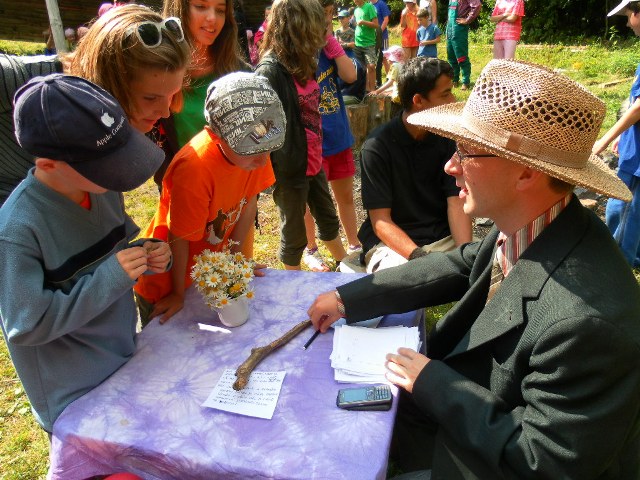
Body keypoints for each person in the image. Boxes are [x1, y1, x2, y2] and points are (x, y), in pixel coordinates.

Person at [308, 59, 640, 479]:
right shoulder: (539, 221)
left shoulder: (587, 324)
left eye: (465, 151)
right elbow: (460, 264)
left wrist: (435, 384)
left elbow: (545, 460)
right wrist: (349, 297)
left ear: (525, 173)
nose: (450, 165)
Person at [0, 74, 171, 435]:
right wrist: (112, 277)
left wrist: (145, 256)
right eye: (105, 167)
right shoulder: (16, 231)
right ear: (49, 165)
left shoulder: (101, 189)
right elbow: (27, 325)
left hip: (123, 358)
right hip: (74, 396)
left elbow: (109, 256)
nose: (118, 175)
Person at [0, 5, 189, 207]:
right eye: (150, 98)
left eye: (172, 94)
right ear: (108, 81)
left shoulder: (127, 126)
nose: (165, 112)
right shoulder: (21, 81)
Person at [134, 72, 278, 324]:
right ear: (217, 135)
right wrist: (178, 294)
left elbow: (248, 204)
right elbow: (179, 238)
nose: (263, 161)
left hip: (208, 276)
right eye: (253, 151)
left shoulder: (255, 147)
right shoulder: (195, 169)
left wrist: (236, 264)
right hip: (167, 281)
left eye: (268, 149)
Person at [256, 0, 347, 270]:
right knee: (294, 233)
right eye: (317, 24)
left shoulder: (304, 60)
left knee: (328, 218)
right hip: (290, 167)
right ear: (298, 26)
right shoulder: (270, 71)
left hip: (313, 159)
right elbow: (262, 128)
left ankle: (345, 268)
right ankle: (293, 285)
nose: (323, 30)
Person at [357, 57, 471, 273]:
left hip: (442, 240)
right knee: (400, 278)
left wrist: (466, 257)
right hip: (393, 247)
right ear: (418, 100)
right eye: (445, 94)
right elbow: (381, 221)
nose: (453, 100)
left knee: (487, 265)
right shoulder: (377, 147)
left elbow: (456, 204)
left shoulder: (448, 138)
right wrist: (420, 259)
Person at [302, 0, 359, 271]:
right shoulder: (298, 52)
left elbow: (350, 76)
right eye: (321, 15)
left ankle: (354, 244)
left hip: (338, 136)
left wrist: (333, 47)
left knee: (345, 196)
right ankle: (310, 247)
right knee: (311, 201)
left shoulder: (329, 49)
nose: (326, 21)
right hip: (312, 143)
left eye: (329, 15)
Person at [593, 0, 640, 268]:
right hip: (634, 144)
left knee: (621, 210)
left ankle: (616, 268)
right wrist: (625, 133)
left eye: (628, 15)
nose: (627, 23)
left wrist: (604, 139)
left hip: (638, 159)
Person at [446, 0, 481, 90]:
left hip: (459, 29)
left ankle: (465, 81)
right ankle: (454, 79)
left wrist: (467, 20)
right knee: (451, 57)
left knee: (461, 56)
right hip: (449, 29)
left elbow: (477, 5)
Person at [353, 0, 379, 93]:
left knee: (371, 66)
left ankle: (373, 91)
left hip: (369, 43)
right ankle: (365, 90)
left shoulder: (369, 6)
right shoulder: (356, 10)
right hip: (358, 42)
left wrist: (363, 22)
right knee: (360, 68)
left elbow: (376, 25)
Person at [371, 0, 390, 88]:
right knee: (375, 59)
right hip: (372, 37)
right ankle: (376, 80)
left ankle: (389, 78)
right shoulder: (368, 5)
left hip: (383, 36)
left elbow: (386, 19)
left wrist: (379, 32)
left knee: (385, 57)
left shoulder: (381, 4)